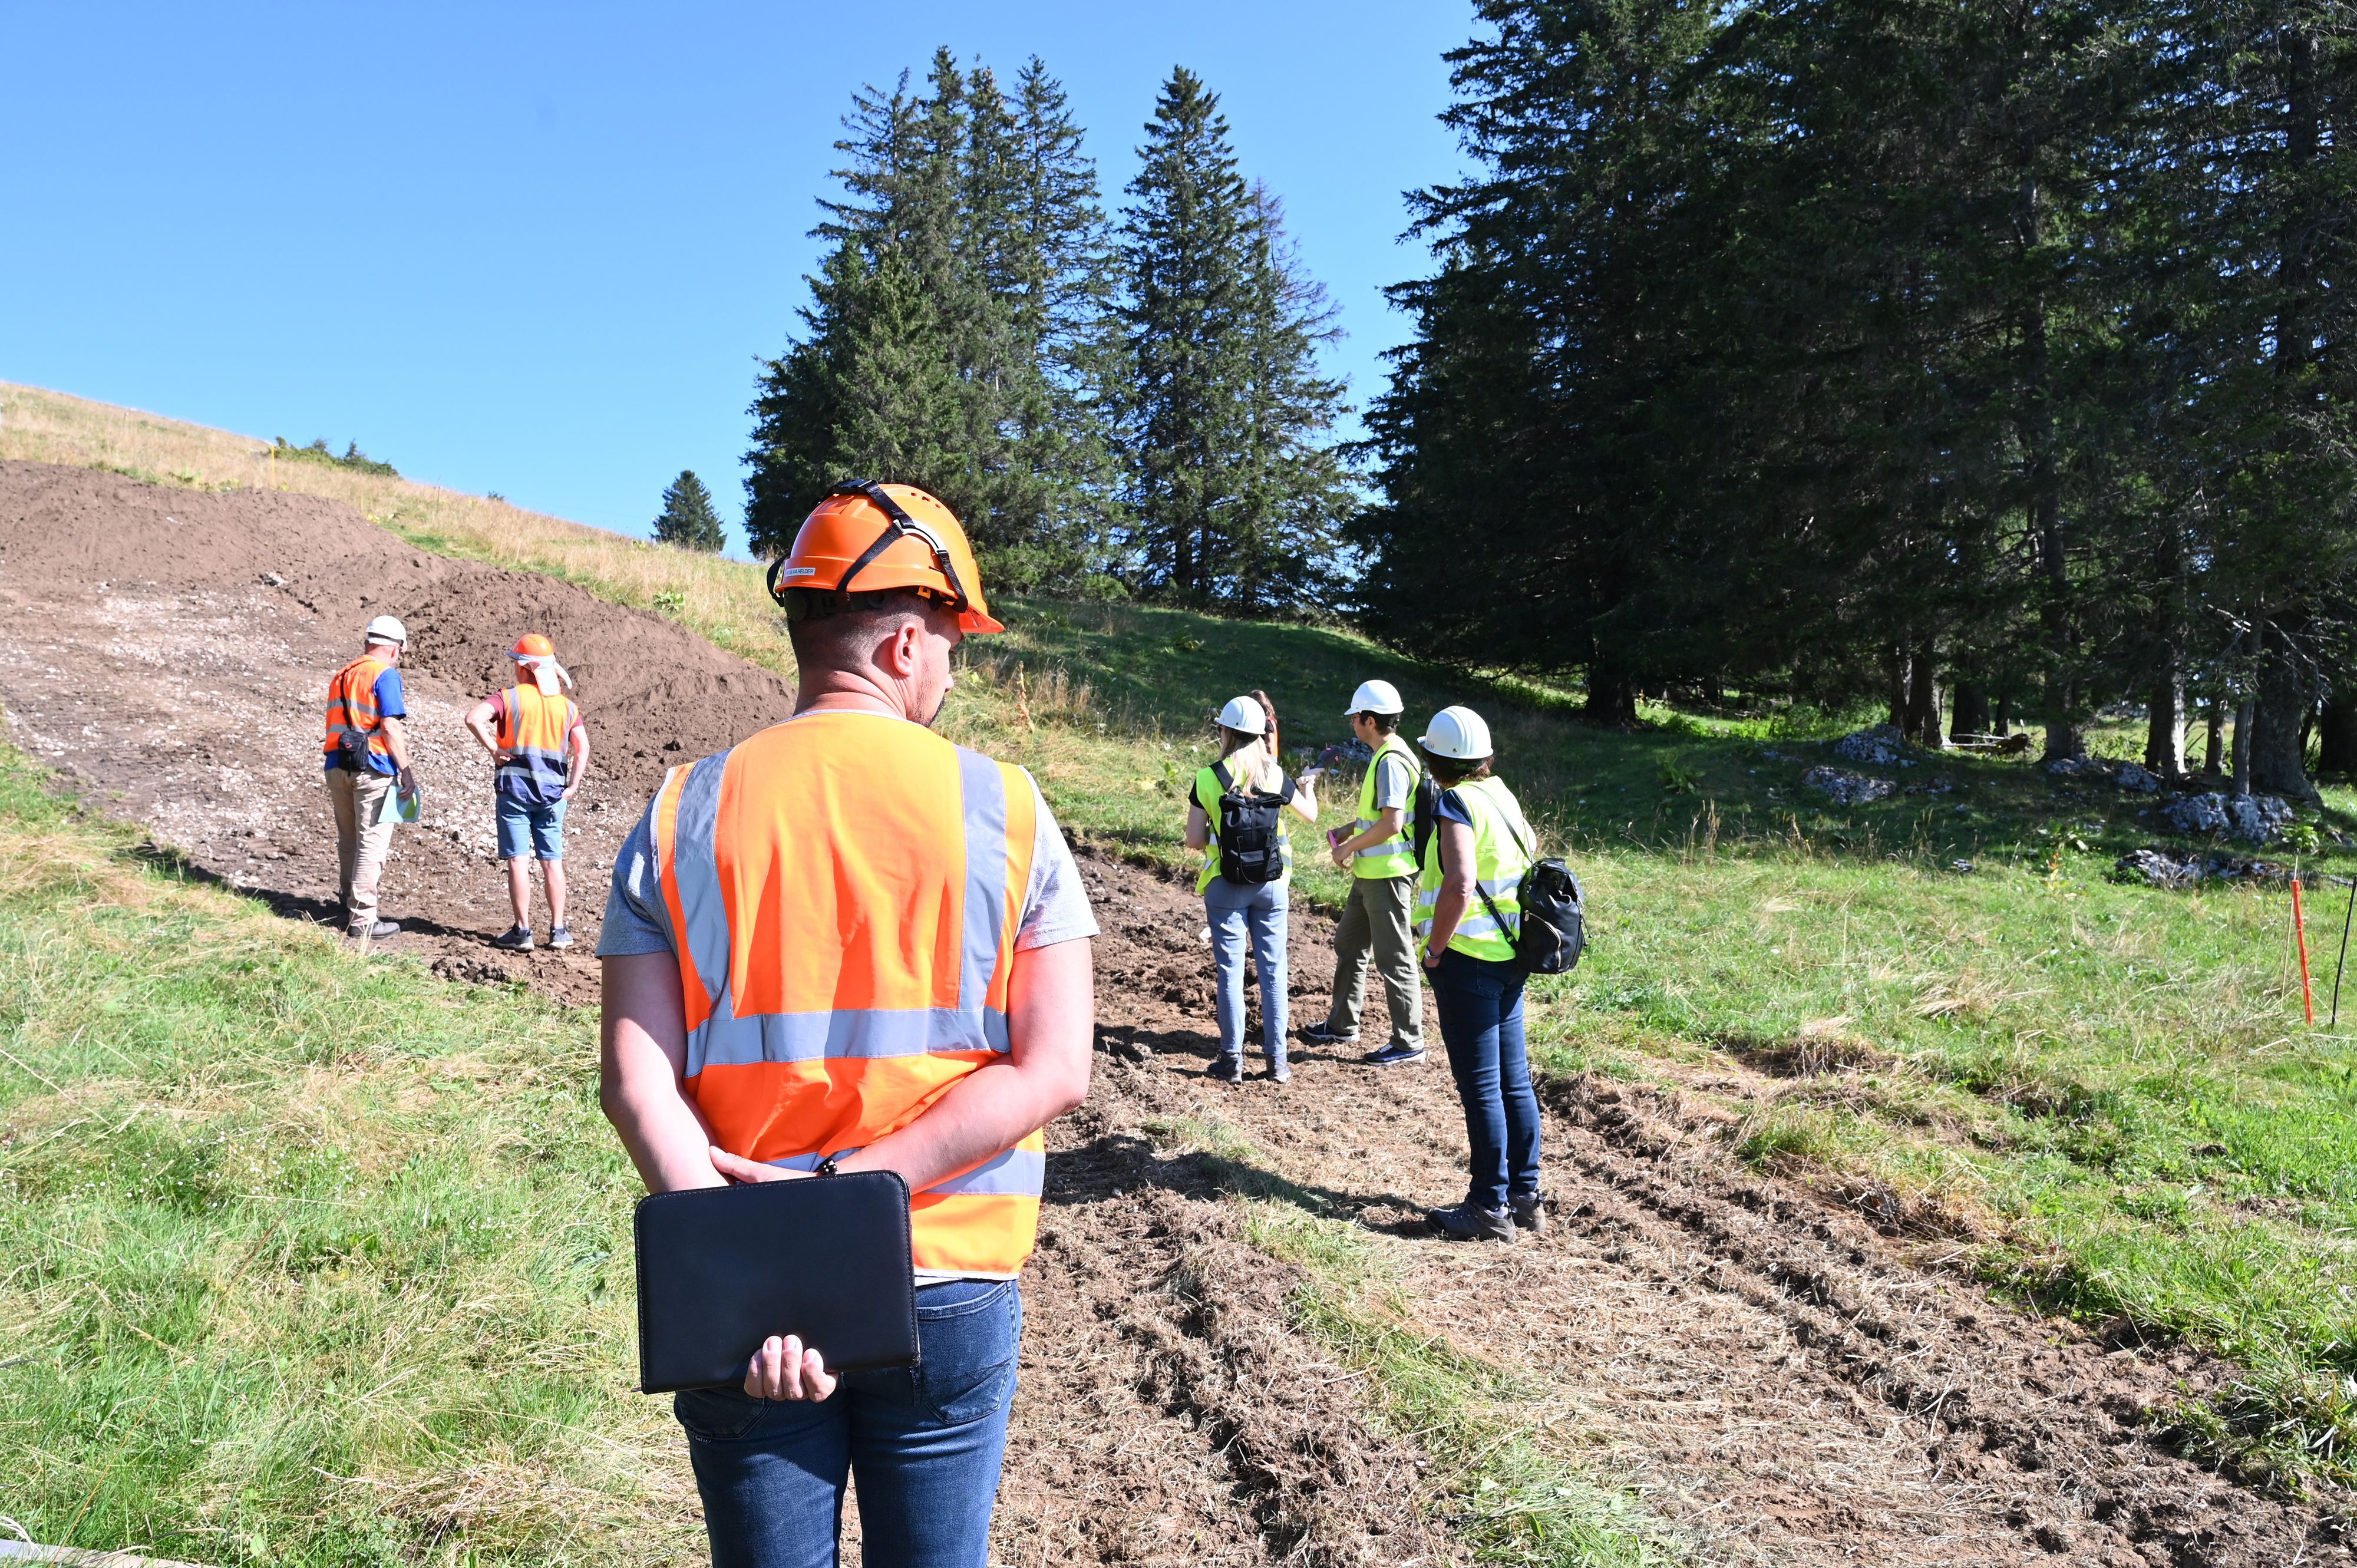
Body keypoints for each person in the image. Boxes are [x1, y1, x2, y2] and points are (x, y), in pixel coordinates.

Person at [597, 480, 1098, 1568]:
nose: (954, 672)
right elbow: (1056, 1066)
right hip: (947, 1273)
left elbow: (636, 1083)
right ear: (909, 642)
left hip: (747, 1291)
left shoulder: (682, 810)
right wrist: (854, 1208)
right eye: (956, 646)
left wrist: (758, 1258)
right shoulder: (1007, 807)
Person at [1411, 705, 1545, 1244]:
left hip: (1468, 960)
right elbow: (1528, 847)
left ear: (1437, 756)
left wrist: (1436, 949)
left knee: (1483, 1088)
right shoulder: (1501, 793)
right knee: (1515, 1081)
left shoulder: (1454, 801)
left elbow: (1461, 882)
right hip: (1512, 957)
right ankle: (1525, 1197)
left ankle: (1489, 1205)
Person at [1184, 692, 1319, 1084]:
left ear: (1224, 730)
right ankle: (1277, 1062)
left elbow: (1194, 840)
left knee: (1230, 973)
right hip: (1272, 885)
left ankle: (1232, 1061)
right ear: (1262, 733)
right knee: (1274, 972)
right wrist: (1308, 788)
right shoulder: (1274, 773)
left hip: (1225, 885)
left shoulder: (1208, 777)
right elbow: (1310, 815)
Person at [1300, 679, 1427, 1065]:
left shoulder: (1390, 760)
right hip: (1372, 872)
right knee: (1350, 943)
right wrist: (1348, 829)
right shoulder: (1389, 753)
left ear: (1369, 720)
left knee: (1395, 956)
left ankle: (1409, 1043)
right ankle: (1342, 1024)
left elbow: (1391, 824)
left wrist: (1347, 847)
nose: (1352, 722)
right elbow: (1378, 817)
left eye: (1356, 716)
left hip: (1387, 875)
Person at [464, 633, 591, 951]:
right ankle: (559, 930)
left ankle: (522, 932)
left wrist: (494, 749)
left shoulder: (509, 698)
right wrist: (573, 785)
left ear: (524, 668)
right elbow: (583, 747)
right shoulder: (566, 706)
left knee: (519, 861)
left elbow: (473, 718)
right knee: (552, 862)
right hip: (553, 796)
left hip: (515, 793)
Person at [321, 614, 415, 943]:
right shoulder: (385, 675)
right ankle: (362, 919)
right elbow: (390, 726)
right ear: (394, 648)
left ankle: (347, 905)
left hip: (337, 763)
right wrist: (406, 770)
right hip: (372, 766)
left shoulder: (342, 675)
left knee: (348, 839)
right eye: (401, 652)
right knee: (371, 843)